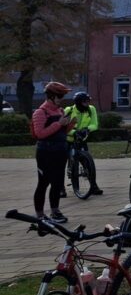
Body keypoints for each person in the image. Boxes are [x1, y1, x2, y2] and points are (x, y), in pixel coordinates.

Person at [31, 82, 72, 223]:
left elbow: (61, 133)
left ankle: (55, 211)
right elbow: (40, 134)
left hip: (60, 151)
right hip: (45, 153)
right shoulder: (40, 112)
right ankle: (40, 215)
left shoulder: (60, 111)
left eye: (63, 96)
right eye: (59, 96)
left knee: (57, 183)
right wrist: (59, 124)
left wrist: (69, 124)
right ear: (51, 96)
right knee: (43, 183)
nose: (62, 99)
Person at [63, 91, 104, 196]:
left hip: (81, 140)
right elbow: (63, 127)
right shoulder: (69, 110)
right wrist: (74, 132)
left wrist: (87, 129)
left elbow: (95, 124)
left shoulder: (91, 109)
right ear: (78, 102)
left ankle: (93, 186)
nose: (87, 104)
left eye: (88, 101)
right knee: (60, 164)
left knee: (87, 163)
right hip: (68, 140)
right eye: (85, 102)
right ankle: (60, 188)